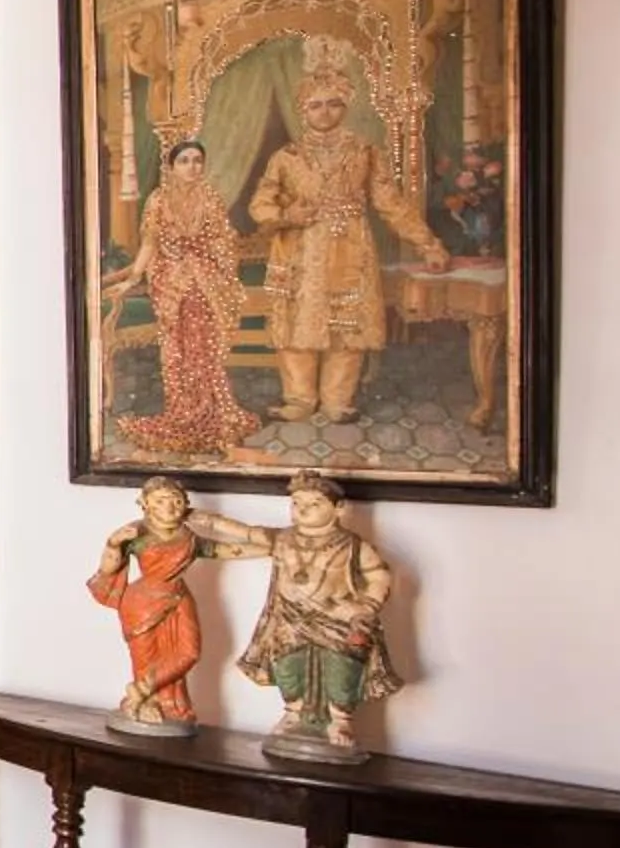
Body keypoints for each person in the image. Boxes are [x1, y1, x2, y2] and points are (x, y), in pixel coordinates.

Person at [246, 38, 449, 425]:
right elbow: (260, 205)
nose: (325, 112)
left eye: (333, 103)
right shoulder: (285, 157)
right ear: (303, 109)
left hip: (349, 247)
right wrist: (288, 213)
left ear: (346, 105)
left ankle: (338, 401)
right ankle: (299, 399)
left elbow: (391, 203)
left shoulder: (365, 151)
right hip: (298, 251)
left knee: (347, 327)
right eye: (316, 105)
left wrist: (429, 244)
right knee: (295, 328)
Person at [191, 472, 402, 762]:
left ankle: (340, 719)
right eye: (296, 502)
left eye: (314, 503)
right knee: (287, 665)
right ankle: (293, 712)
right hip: (290, 618)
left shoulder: (352, 545)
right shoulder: (283, 538)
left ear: (338, 508)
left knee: (342, 666)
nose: (302, 509)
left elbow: (379, 575)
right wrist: (211, 522)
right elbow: (248, 532)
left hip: (335, 617)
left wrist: (366, 606)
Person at [99, 140, 257, 457]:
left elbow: (223, 243)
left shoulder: (210, 198)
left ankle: (209, 411)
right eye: (184, 160)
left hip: (204, 283)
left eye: (197, 160)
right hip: (170, 284)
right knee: (176, 351)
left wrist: (207, 262)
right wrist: (132, 277)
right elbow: (149, 245)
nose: (192, 166)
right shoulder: (158, 200)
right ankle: (182, 412)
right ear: (171, 167)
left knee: (203, 349)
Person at [86, 476, 218, 736]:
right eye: (160, 501)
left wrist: (267, 545)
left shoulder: (188, 537)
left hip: (179, 598)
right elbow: (108, 568)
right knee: (146, 658)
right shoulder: (138, 533)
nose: (169, 508)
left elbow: (221, 550)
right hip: (142, 604)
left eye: (176, 501)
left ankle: (143, 691)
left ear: (186, 504)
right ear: (145, 504)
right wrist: (113, 543)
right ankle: (146, 701)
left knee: (188, 652)